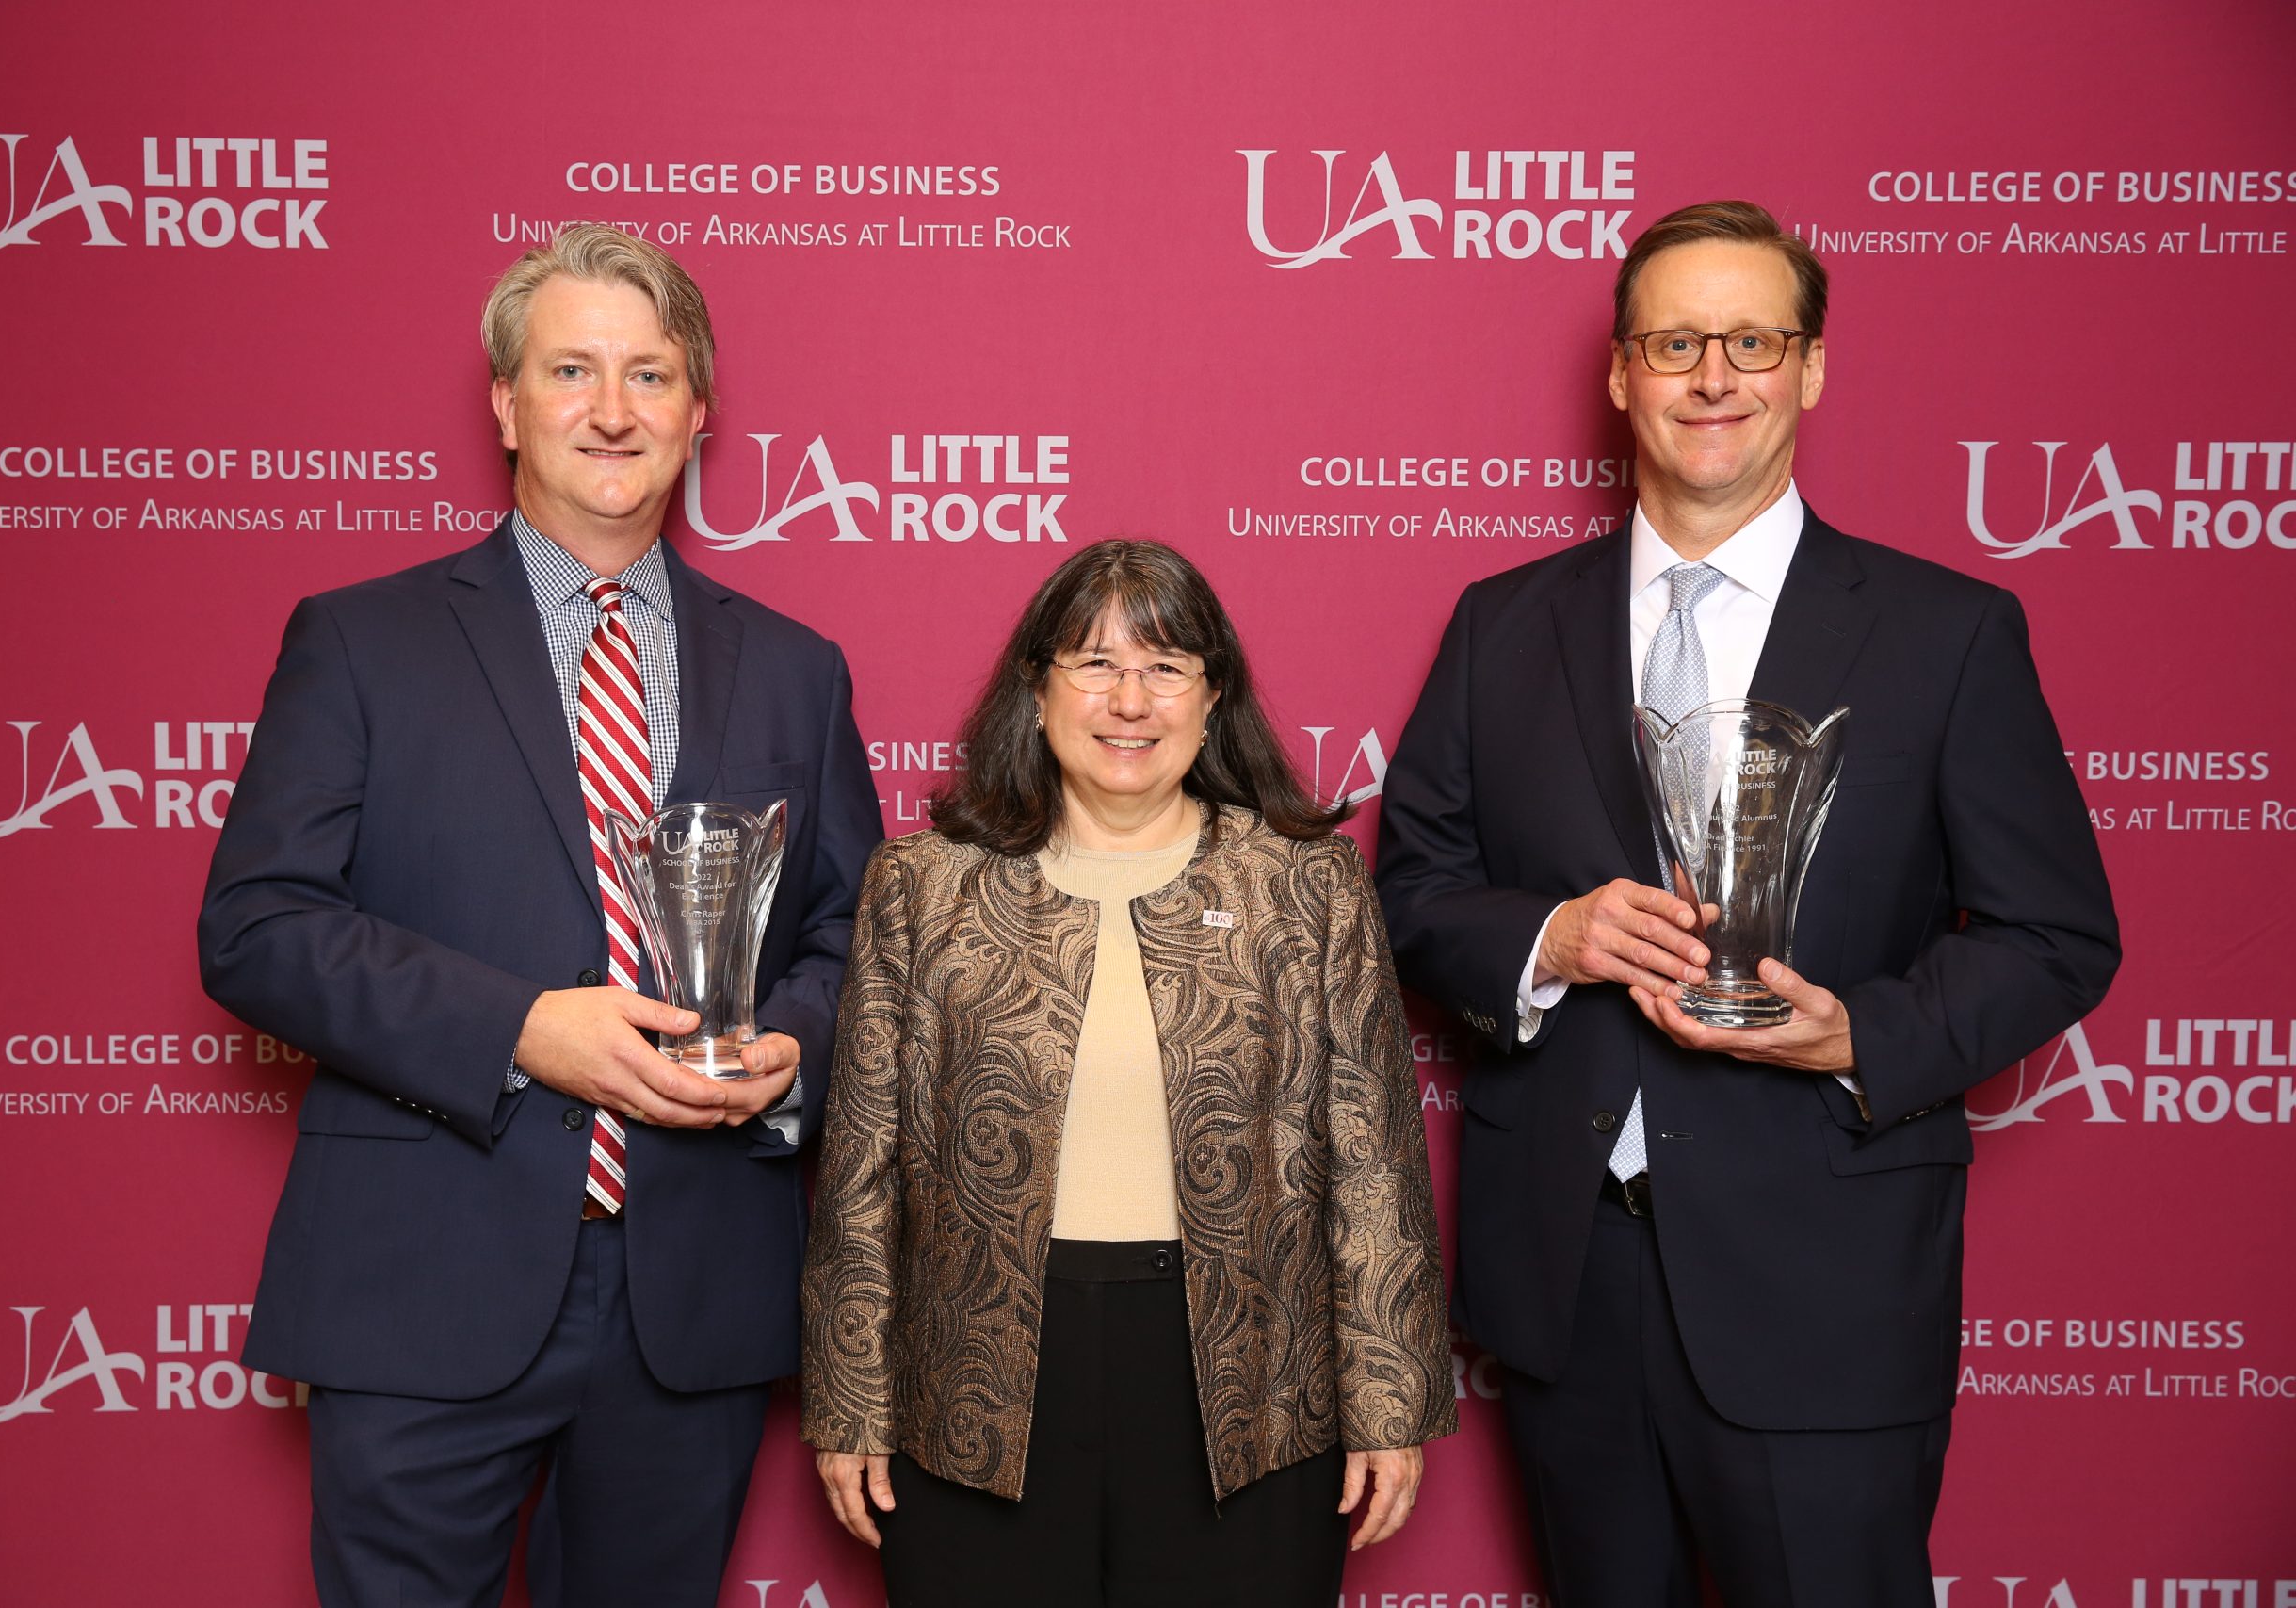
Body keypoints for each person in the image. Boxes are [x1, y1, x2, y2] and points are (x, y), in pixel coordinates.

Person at [1374, 200, 2120, 1605]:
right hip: (1572, 1281)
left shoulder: (1948, 632)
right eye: (1674, 342)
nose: (1714, 375)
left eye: (1753, 339)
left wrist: (1861, 1034)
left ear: (1811, 366)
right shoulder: (1500, 622)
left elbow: (2059, 934)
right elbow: (1410, 890)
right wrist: (1554, 935)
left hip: (1824, 1274)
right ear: (1620, 373)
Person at [198, 224, 881, 1607]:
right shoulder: (361, 638)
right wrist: (521, 1028)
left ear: (700, 408)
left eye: (649, 372)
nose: (613, 409)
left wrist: (795, 1043)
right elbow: (257, 925)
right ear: (506, 402)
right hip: (421, 1276)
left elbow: (851, 932)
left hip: (689, 1292)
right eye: (571, 368)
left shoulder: (797, 669)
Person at [800, 539, 1456, 1607]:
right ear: (1038, 685)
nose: (1129, 700)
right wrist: (848, 1399)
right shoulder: (923, 887)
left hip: (1251, 1385)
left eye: (1166, 667)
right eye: (1094, 664)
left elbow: (1373, 1161)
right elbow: (864, 1168)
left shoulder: (1307, 885)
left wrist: (1390, 1400)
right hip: (976, 1378)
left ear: (1213, 699)